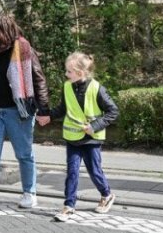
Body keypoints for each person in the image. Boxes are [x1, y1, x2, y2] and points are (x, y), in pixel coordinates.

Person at [0, 13, 50, 212]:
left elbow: (39, 79)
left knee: (24, 154)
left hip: (19, 112)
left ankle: (29, 193)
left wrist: (43, 110)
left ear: (2, 31)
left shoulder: (24, 49)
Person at [41, 51, 119, 222]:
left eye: (69, 71)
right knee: (72, 172)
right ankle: (69, 206)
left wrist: (94, 126)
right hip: (72, 138)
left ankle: (107, 194)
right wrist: (49, 116)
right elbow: (63, 108)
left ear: (80, 73)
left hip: (91, 139)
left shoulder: (97, 88)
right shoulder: (67, 86)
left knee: (94, 171)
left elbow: (113, 111)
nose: (66, 74)